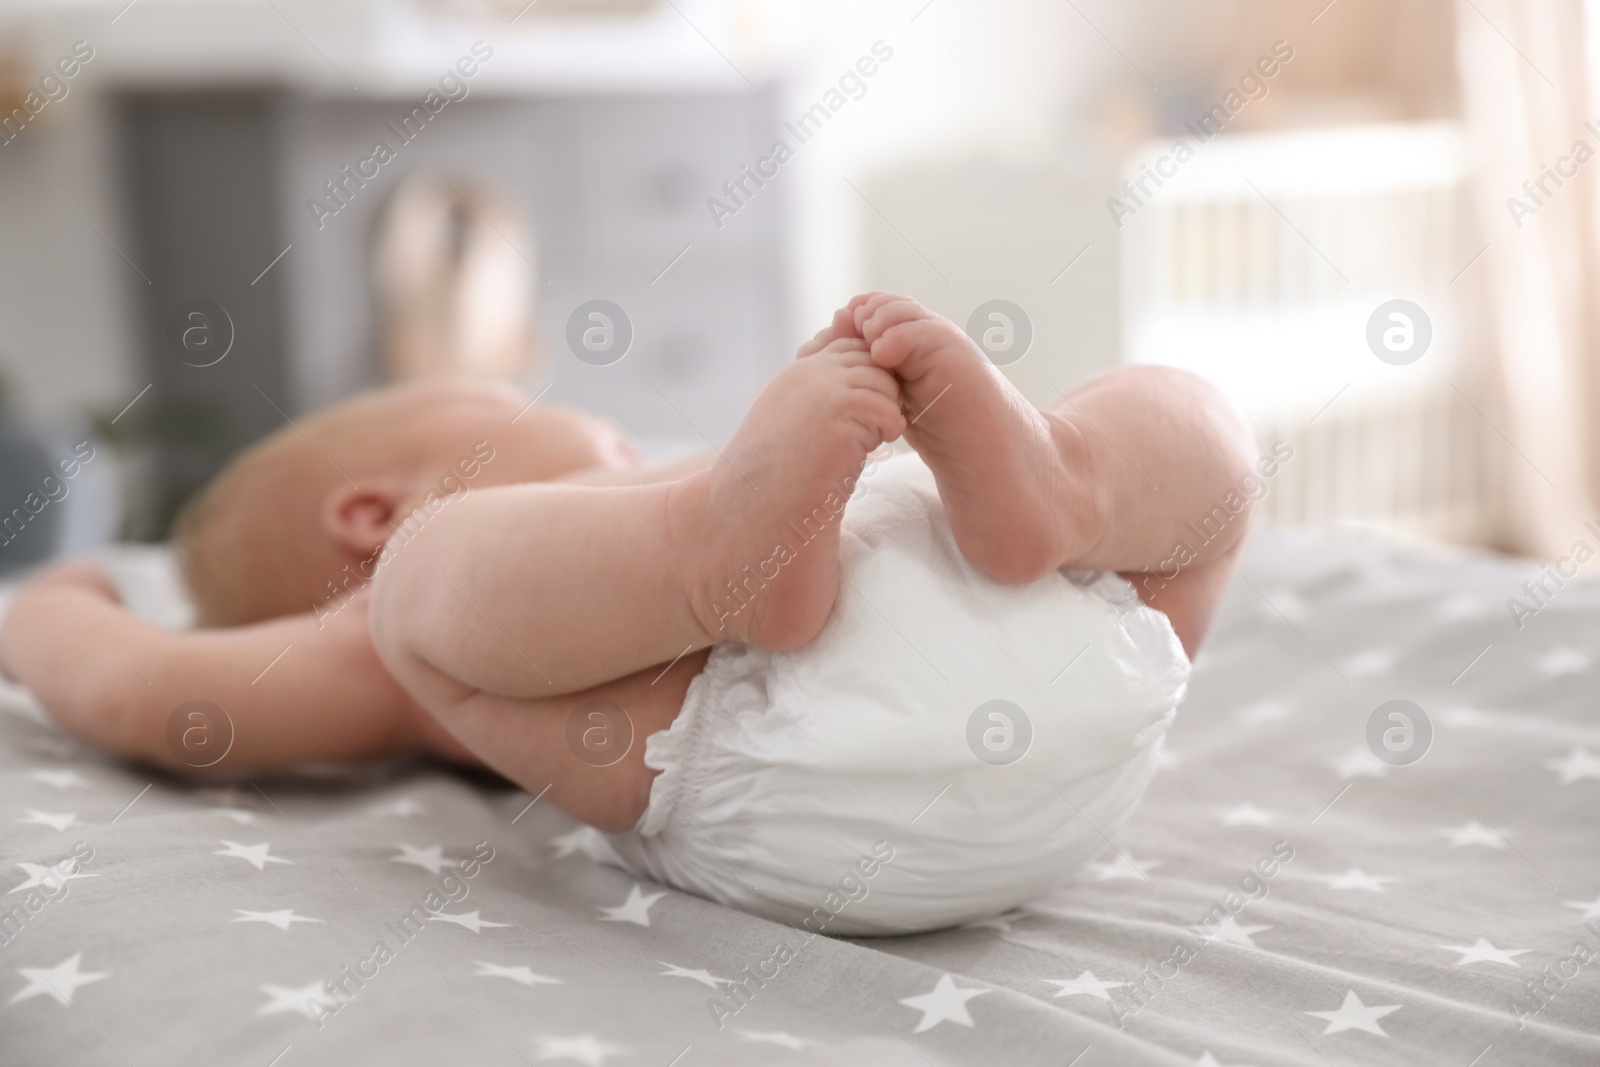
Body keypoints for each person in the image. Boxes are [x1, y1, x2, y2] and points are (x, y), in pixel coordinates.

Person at [0, 294, 1255, 839]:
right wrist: (45, 604)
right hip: (791, 732)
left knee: (1191, 424)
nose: (610, 438)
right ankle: (728, 562)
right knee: (421, 596)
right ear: (371, 508)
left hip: (1070, 714)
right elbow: (149, 696)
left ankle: (1064, 482)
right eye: (534, 405)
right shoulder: (395, 616)